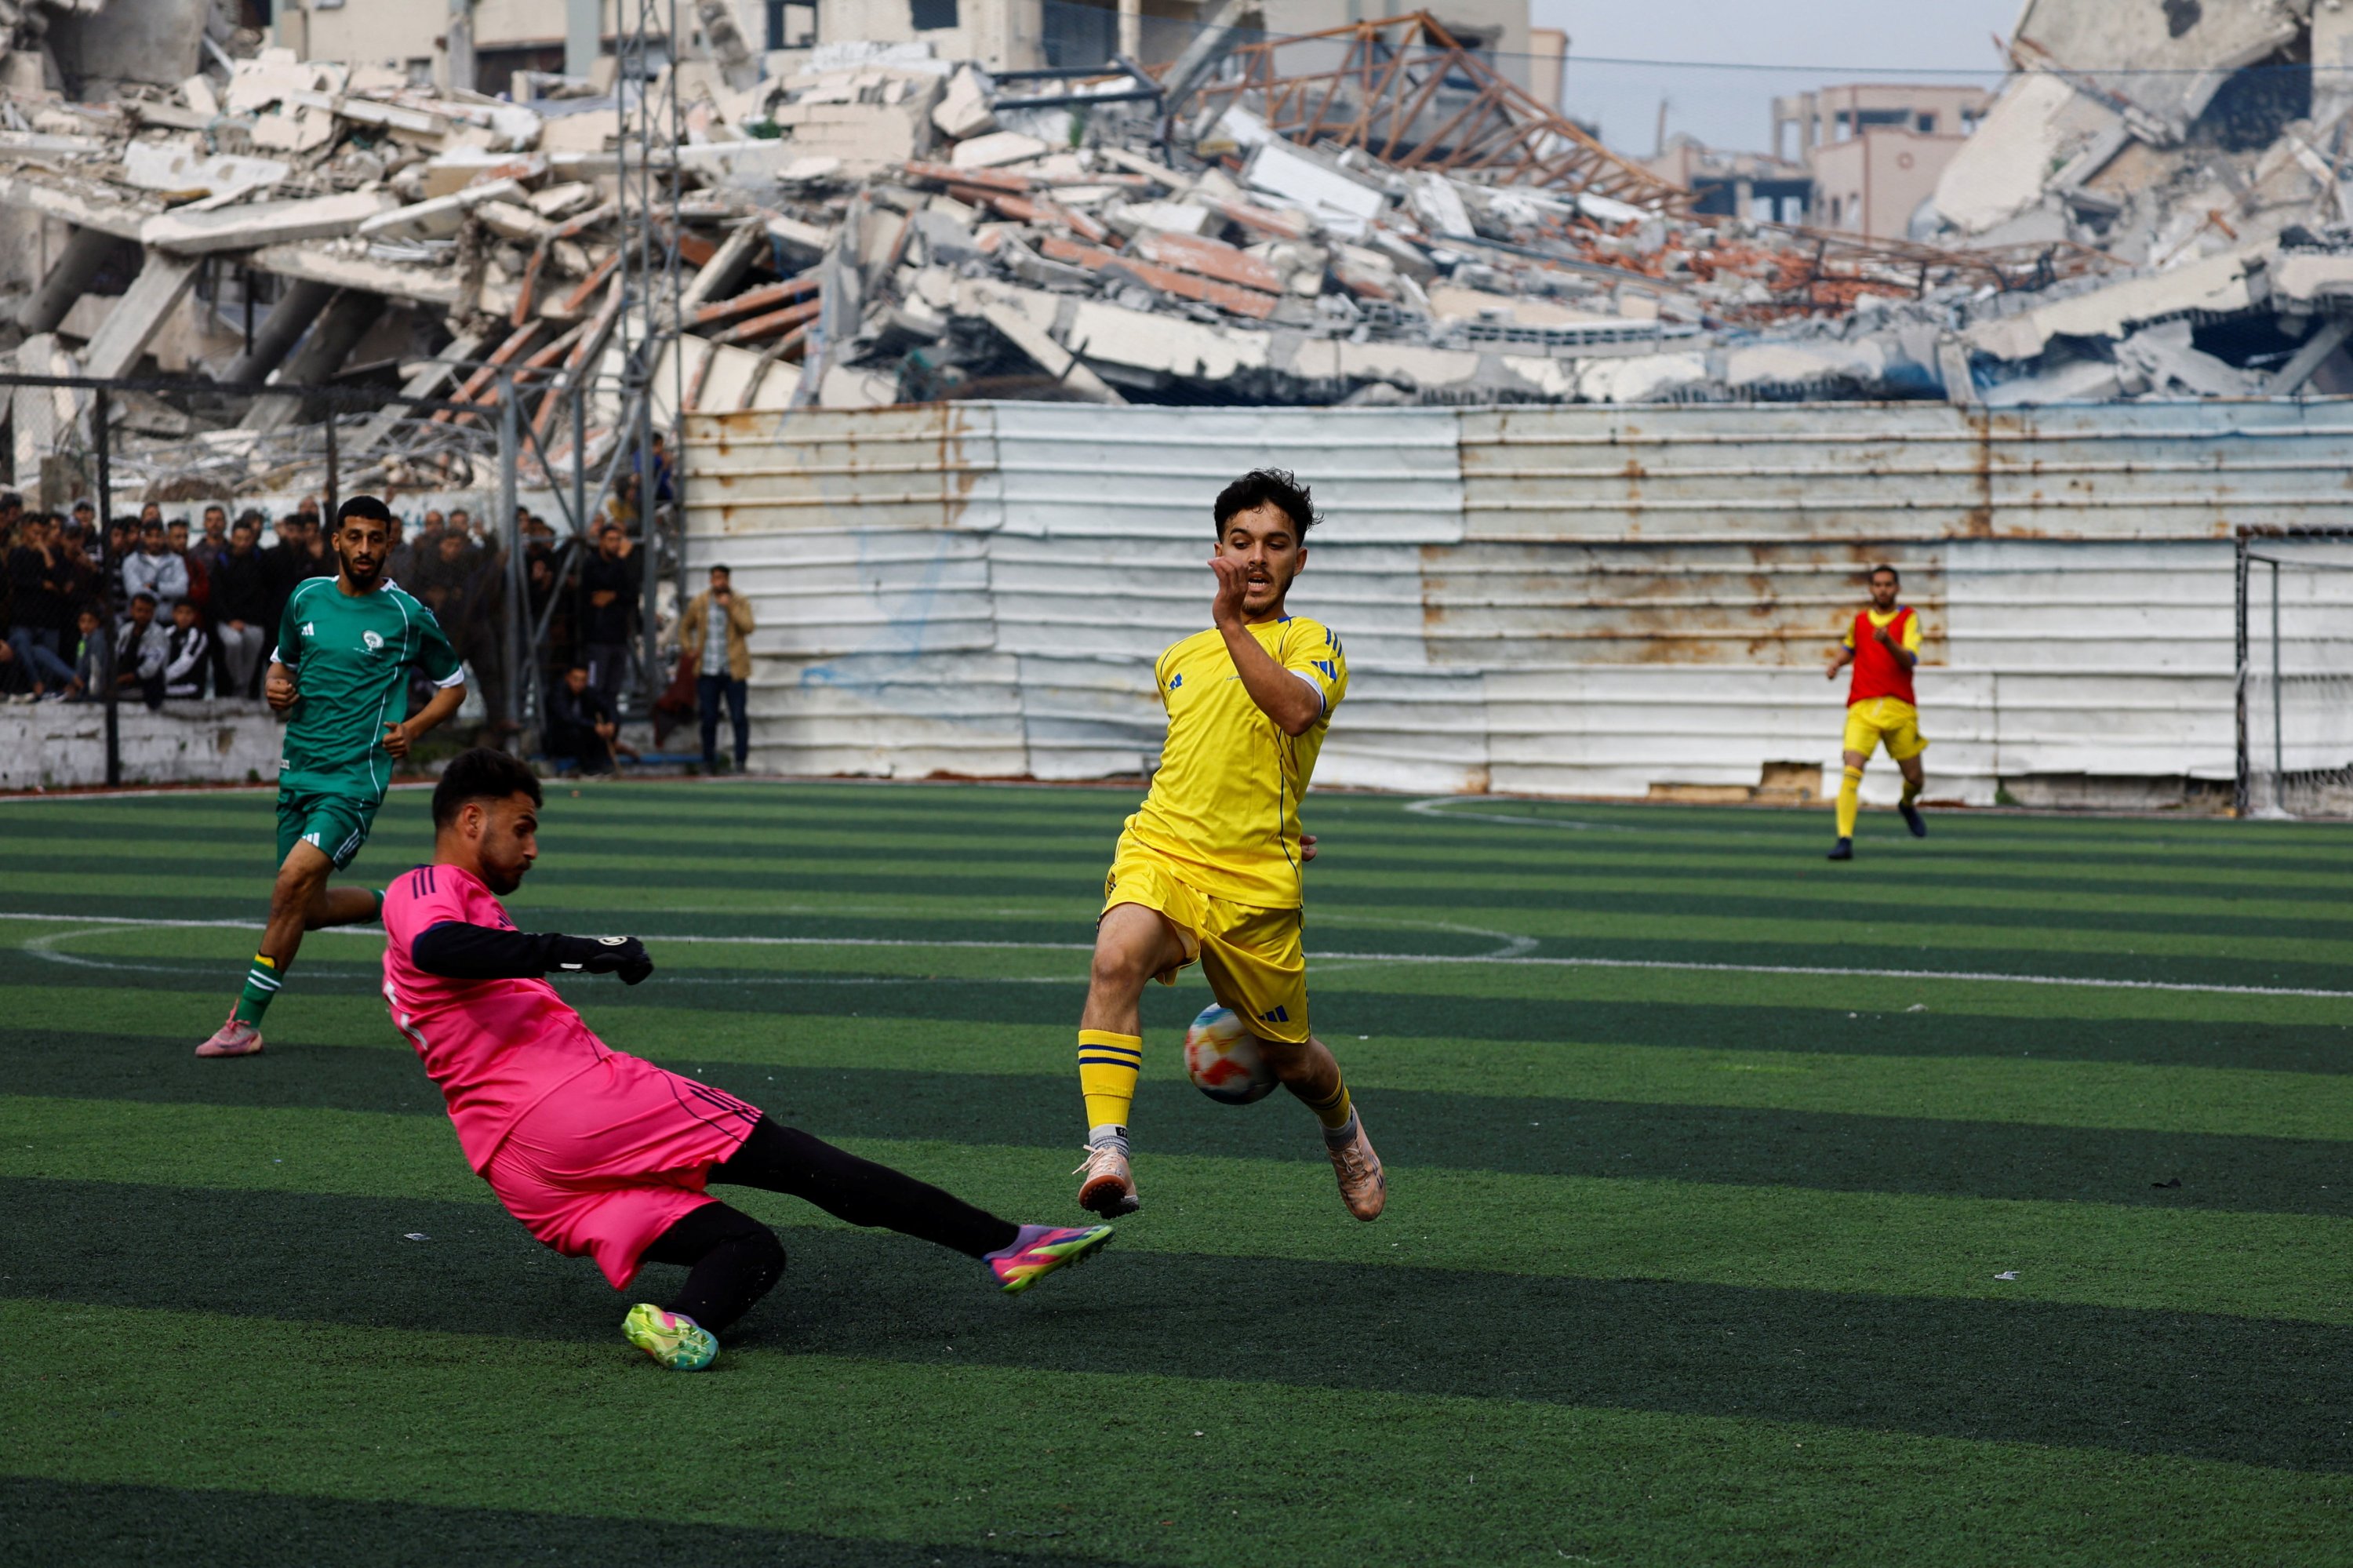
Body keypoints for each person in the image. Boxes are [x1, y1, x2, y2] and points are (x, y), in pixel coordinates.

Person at [381, 748, 1114, 1370]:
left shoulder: (452, 902)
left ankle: (682, 1322)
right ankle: (1005, 1243)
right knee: (797, 1159)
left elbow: (440, 953)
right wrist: (580, 949)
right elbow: (433, 944)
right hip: (578, 1101)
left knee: (748, 1246)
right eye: (523, 826)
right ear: (470, 820)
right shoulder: (431, 885)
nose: (533, 847)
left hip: (521, 1168)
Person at [1069, 469, 1377, 1223]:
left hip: (1253, 884)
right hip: (1164, 847)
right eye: (1241, 543)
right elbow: (1206, 755)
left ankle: (1344, 1132)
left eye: (1276, 544)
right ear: (1218, 550)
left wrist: (1273, 823)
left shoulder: (1315, 642)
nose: (1257, 559)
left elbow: (1295, 713)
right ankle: (1108, 1150)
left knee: (1292, 1060)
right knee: (1115, 958)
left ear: (1299, 560)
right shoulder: (1178, 657)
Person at [195, 496, 470, 1060]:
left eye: (376, 538)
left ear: (390, 542)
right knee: (308, 908)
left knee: (289, 886)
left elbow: (454, 685)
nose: (365, 548)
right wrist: (275, 685)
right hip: (299, 770)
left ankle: (243, 1023)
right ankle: (395, 901)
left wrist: (414, 728)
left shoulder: (407, 613)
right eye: (355, 537)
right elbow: (283, 664)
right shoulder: (304, 597)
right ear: (336, 540)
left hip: (354, 780)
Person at [1823, 563, 1929, 862]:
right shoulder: (1859, 621)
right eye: (1878, 585)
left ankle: (1907, 804)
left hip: (1899, 707)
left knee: (1915, 778)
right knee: (1851, 769)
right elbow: (1850, 648)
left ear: (1897, 588)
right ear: (1871, 589)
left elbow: (1909, 660)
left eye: (1888, 585)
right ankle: (1844, 839)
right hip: (1863, 706)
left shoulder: (1909, 618)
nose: (1883, 590)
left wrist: (1887, 642)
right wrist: (1836, 663)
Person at [680, 563, 753, 773]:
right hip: (708, 669)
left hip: (733, 669)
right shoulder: (701, 602)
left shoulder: (740, 601)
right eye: (716, 578)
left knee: (738, 716)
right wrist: (689, 648)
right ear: (711, 580)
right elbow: (685, 626)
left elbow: (748, 627)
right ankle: (708, 761)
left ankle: (740, 761)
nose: (720, 582)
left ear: (729, 580)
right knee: (709, 717)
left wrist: (730, 608)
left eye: (724, 578)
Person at [210, 517, 272, 697]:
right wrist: (230, 620)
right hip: (227, 620)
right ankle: (238, 682)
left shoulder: (259, 559)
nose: (243, 543)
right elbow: (217, 596)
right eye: (240, 539)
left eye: (247, 539)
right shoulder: (222, 560)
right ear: (232, 538)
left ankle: (244, 688)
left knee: (254, 647)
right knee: (233, 642)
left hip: (253, 621)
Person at [580, 522, 638, 711]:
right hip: (598, 638)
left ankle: (611, 729)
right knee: (596, 687)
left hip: (619, 636)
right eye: (610, 540)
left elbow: (632, 594)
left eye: (618, 540)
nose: (615, 544)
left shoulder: (624, 565)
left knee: (613, 689)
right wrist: (620, 560)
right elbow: (602, 582)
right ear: (601, 542)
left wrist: (613, 595)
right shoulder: (592, 563)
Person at [546, 663, 634, 775]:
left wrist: (611, 723)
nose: (579, 684)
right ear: (567, 678)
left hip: (587, 735)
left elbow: (609, 706)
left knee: (608, 726)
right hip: (561, 739)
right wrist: (593, 726)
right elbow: (566, 718)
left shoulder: (589, 692)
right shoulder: (558, 693)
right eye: (575, 679)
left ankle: (601, 765)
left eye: (583, 680)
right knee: (577, 732)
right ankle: (589, 768)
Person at [122, 518, 188, 615]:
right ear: (143, 537)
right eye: (150, 536)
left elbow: (182, 589)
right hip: (140, 620)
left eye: (158, 536)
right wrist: (166, 594)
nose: (154, 540)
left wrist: (156, 587)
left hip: (169, 620)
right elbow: (134, 592)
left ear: (165, 537)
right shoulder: (131, 561)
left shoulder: (176, 561)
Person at [115, 591, 169, 708]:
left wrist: (122, 679)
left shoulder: (157, 634)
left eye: (147, 611)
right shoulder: (126, 630)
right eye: (139, 610)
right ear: (132, 611)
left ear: (153, 613)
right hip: (124, 683)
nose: (143, 615)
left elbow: (150, 669)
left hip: (147, 686)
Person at [162, 599, 211, 699]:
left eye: (188, 613)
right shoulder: (167, 633)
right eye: (180, 612)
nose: (184, 617)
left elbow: (185, 663)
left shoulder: (198, 635)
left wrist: (159, 679)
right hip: (167, 684)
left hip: (190, 687)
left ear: (194, 615)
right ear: (173, 614)